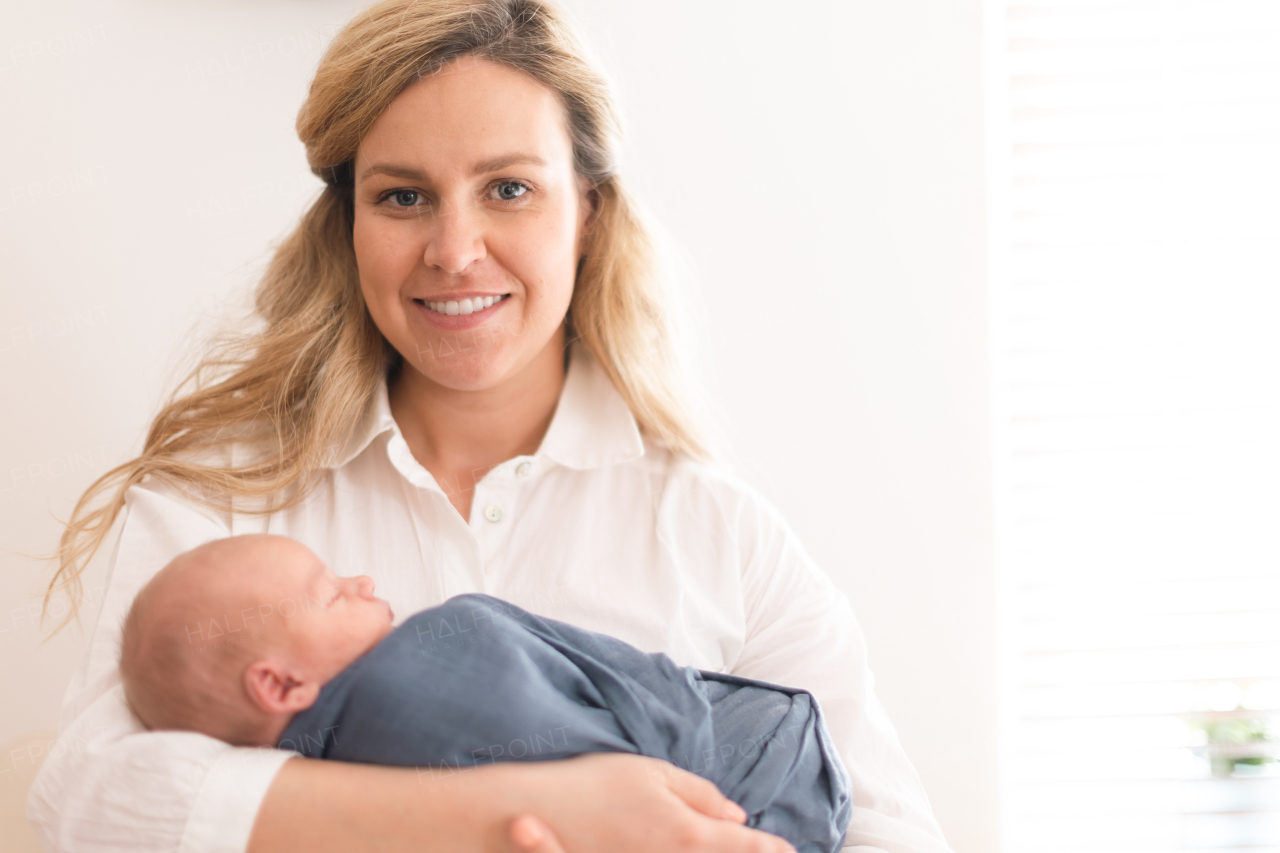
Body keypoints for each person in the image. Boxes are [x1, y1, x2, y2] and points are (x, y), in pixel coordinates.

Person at [27, 1, 955, 851]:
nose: (455, 250)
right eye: (402, 195)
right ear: (348, 221)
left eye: (509, 189)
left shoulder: (720, 534)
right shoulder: (216, 497)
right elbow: (91, 801)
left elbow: (888, 830)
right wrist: (543, 811)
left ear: (588, 212)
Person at [117, 534, 853, 853]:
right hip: (760, 772)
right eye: (333, 593)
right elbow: (93, 793)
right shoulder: (428, 658)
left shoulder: (329, 787)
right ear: (280, 681)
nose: (364, 583)